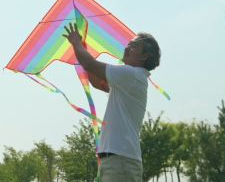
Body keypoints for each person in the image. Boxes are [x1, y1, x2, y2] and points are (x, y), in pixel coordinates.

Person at [64, 23, 161, 182]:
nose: (127, 48)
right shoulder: (130, 79)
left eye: (134, 46)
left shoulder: (132, 75)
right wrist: (82, 49)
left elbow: (89, 64)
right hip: (117, 160)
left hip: (120, 160)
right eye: (128, 44)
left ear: (144, 56)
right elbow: (96, 80)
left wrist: (76, 43)